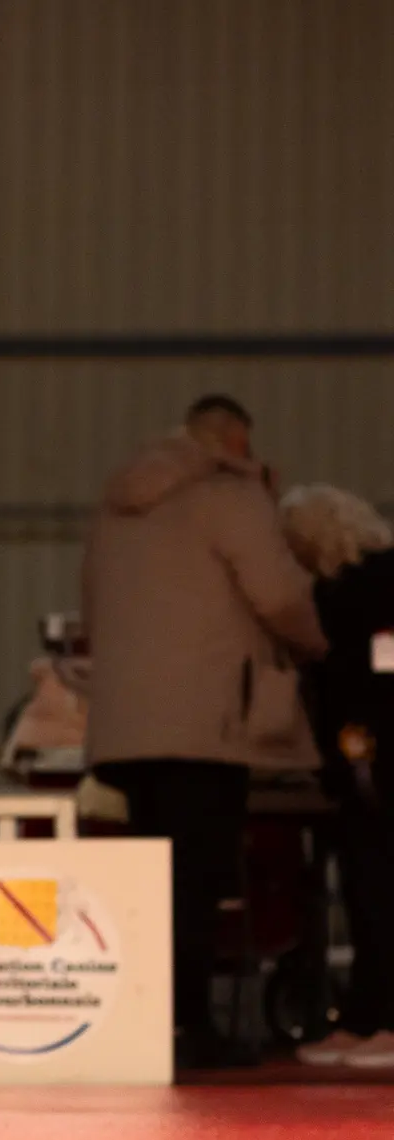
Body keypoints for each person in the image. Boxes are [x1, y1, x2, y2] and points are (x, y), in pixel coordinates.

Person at [82, 394, 328, 1071]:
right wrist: (318, 643)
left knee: (149, 882)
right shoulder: (229, 494)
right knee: (196, 881)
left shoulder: (115, 504)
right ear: (233, 440)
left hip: (125, 727)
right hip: (205, 724)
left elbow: (90, 608)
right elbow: (278, 593)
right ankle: (192, 1025)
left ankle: (148, 1024)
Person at [279, 485, 394, 1069]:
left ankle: (383, 1021)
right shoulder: (345, 589)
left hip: (371, 755)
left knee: (378, 888)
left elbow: (373, 678)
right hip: (357, 758)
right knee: (364, 888)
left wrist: (363, 747)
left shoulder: (368, 589)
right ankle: (365, 1016)